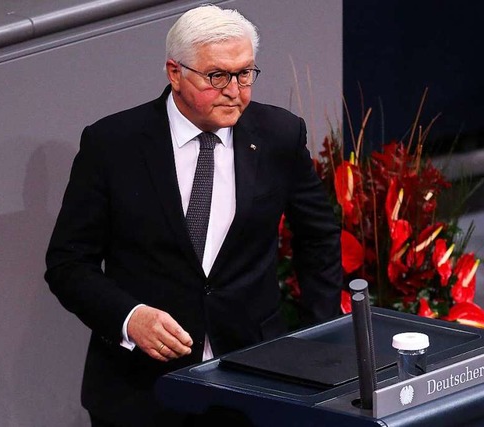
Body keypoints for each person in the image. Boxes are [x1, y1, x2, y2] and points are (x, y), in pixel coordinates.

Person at [45, 4, 342, 426]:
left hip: (253, 382)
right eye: (217, 76)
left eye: (245, 74)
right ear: (175, 73)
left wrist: (317, 338)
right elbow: (68, 264)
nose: (234, 90)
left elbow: (319, 236)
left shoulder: (279, 135)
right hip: (141, 391)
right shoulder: (113, 145)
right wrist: (130, 319)